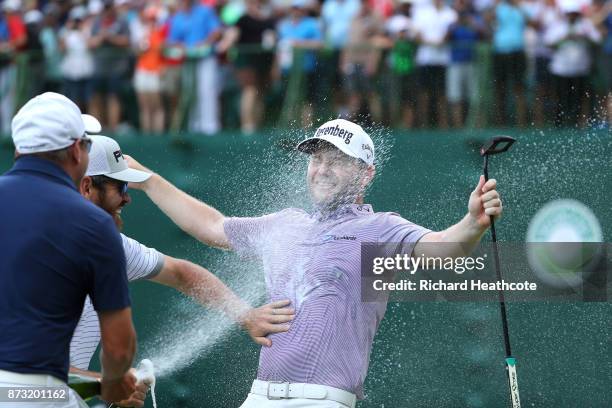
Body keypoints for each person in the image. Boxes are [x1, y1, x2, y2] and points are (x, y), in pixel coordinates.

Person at [126, 118, 504, 407]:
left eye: (336, 160)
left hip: (321, 398)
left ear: (365, 173)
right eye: (317, 159)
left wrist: (472, 222)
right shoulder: (284, 224)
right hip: (260, 396)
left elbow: (442, 248)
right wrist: (148, 180)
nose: (322, 168)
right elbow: (211, 226)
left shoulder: (379, 228)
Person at [70, 134, 295, 407]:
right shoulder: (39, 255)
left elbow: (183, 274)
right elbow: (24, 381)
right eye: (121, 186)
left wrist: (246, 316)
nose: (128, 198)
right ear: (86, 188)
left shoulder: (111, 245)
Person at [0, 92, 136, 408]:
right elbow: (118, 348)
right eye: (87, 145)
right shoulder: (94, 224)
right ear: (76, 151)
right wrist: (113, 383)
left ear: (20, 150)